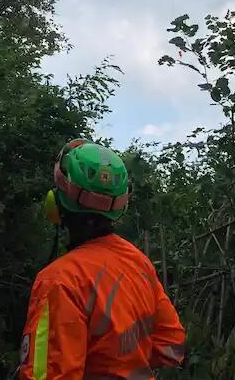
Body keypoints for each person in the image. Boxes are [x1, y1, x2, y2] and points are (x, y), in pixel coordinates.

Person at [17, 139, 186, 380]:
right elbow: (171, 346)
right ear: (119, 208)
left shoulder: (59, 281)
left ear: (56, 203)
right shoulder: (138, 263)